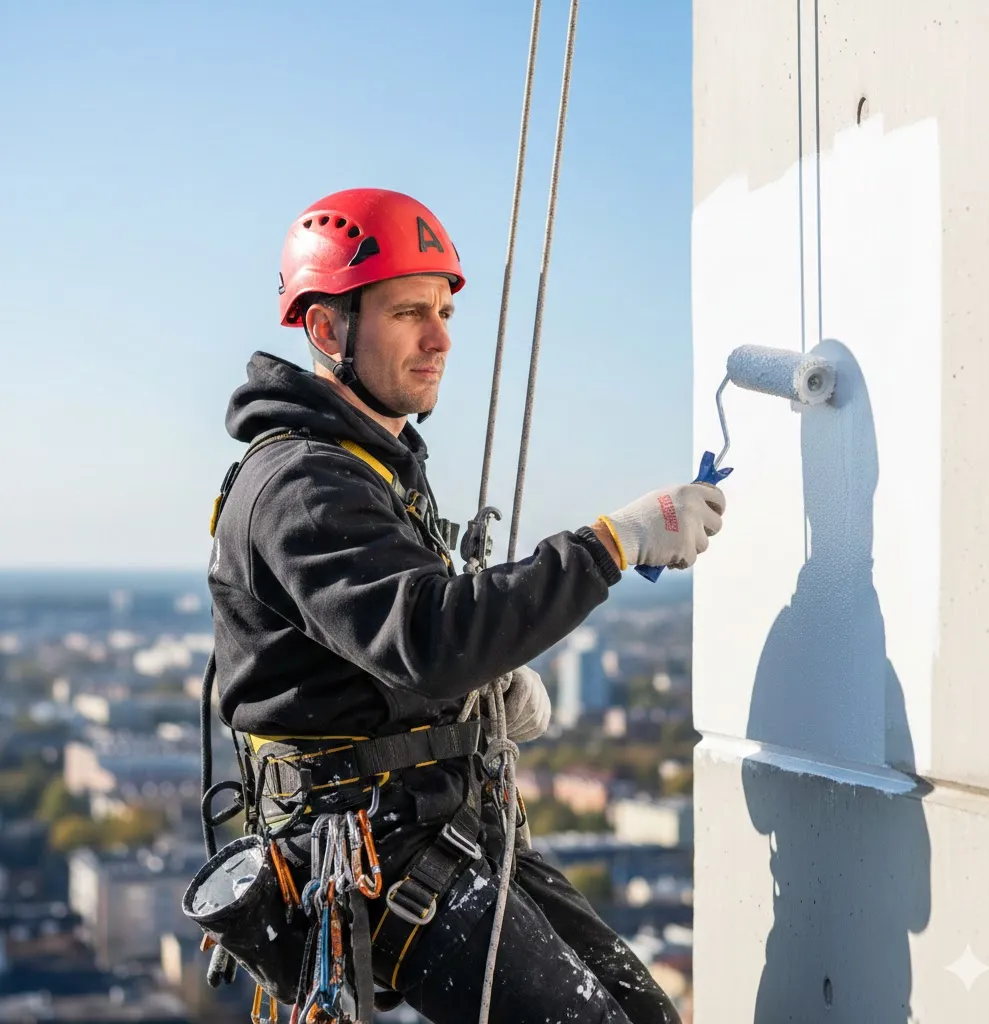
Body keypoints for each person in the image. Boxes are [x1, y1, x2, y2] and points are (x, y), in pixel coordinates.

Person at [206, 188, 725, 1023]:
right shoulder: (302, 483)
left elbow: (384, 648)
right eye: (410, 312)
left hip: (444, 820)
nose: (441, 338)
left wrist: (477, 690)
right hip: (373, 847)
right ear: (326, 329)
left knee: (645, 1013)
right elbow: (426, 637)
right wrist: (610, 545)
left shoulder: (373, 468)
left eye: (443, 310)